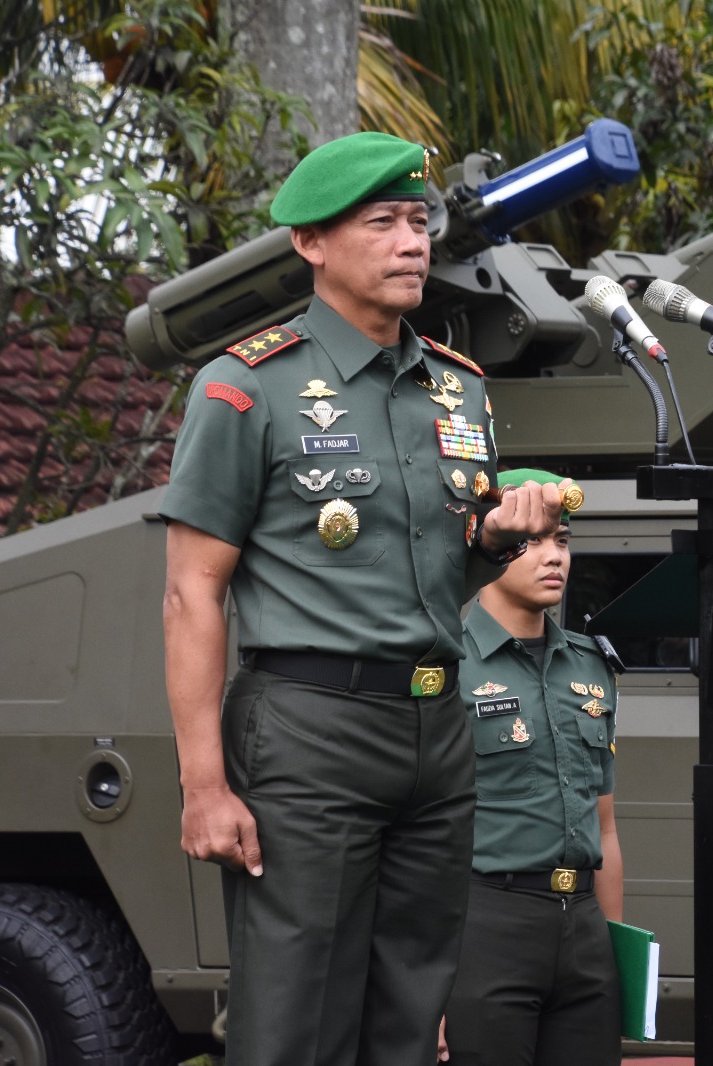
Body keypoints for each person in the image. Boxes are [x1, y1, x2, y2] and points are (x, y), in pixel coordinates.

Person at [160, 131, 565, 1066]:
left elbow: (441, 576)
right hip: (309, 731)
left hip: (436, 730)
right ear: (310, 242)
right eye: (381, 222)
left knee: (410, 1018)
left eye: (418, 221)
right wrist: (204, 782)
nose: (411, 241)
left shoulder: (459, 394)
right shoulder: (245, 387)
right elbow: (191, 594)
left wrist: (495, 541)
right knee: (297, 1021)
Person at [440, 468, 623, 1066]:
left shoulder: (590, 666)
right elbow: (420, 838)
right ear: (487, 542)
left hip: (585, 932)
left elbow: (607, 827)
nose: (554, 558)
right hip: (487, 926)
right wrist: (426, 983)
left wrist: (614, 956)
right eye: (533, 540)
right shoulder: (446, 665)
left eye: (562, 540)